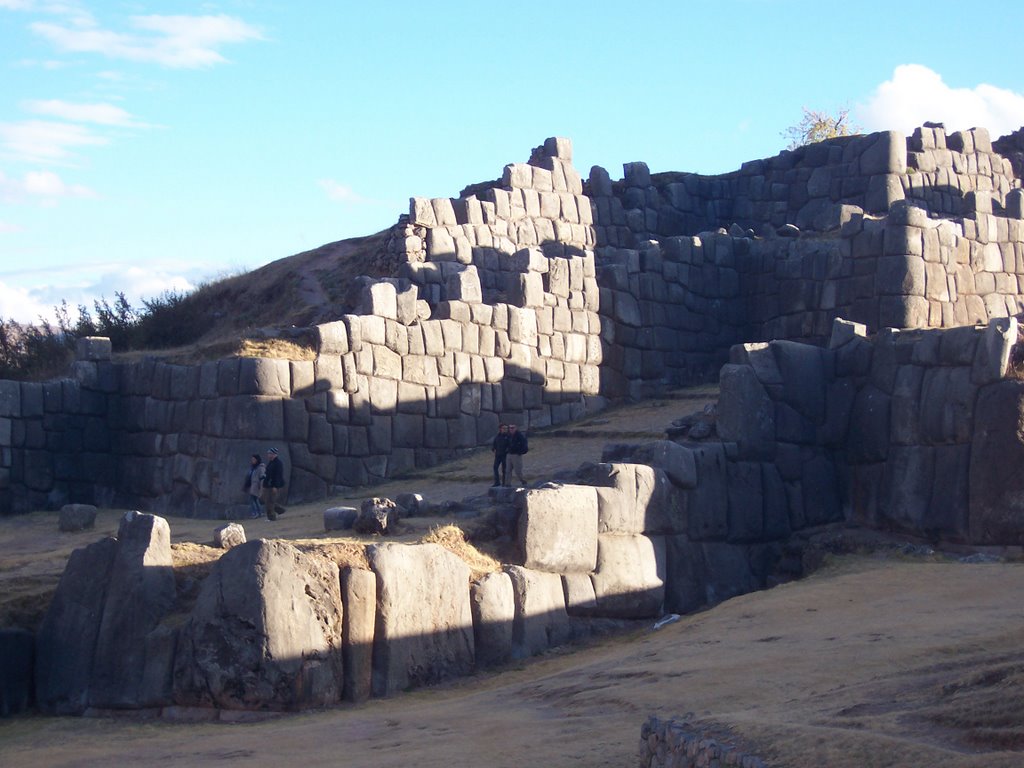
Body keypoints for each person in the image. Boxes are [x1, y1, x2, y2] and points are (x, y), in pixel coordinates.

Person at [262, 447, 287, 520]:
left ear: (274, 454)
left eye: (270, 453)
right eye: (268, 454)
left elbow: (278, 475)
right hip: (269, 485)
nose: (268, 455)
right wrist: (264, 484)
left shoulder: (278, 463)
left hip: (274, 485)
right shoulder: (270, 463)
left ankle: (271, 517)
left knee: (270, 502)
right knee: (267, 500)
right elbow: (267, 475)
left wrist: (275, 486)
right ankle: (281, 510)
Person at [245, 453, 266, 519]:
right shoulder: (253, 468)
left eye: (254, 459)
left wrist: (261, 486)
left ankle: (256, 512)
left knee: (253, 499)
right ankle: (259, 512)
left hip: (257, 485)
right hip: (253, 485)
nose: (252, 461)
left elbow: (262, 477)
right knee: (254, 499)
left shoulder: (260, 467)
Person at [491, 423, 510, 487]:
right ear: (500, 429)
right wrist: (493, 449)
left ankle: (504, 482)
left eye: (506, 428)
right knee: (495, 468)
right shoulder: (497, 436)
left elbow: (511, 445)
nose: (505, 430)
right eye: (504, 428)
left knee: (504, 469)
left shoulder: (508, 436)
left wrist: (507, 451)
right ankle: (497, 482)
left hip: (505, 455)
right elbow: (494, 444)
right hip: (498, 455)